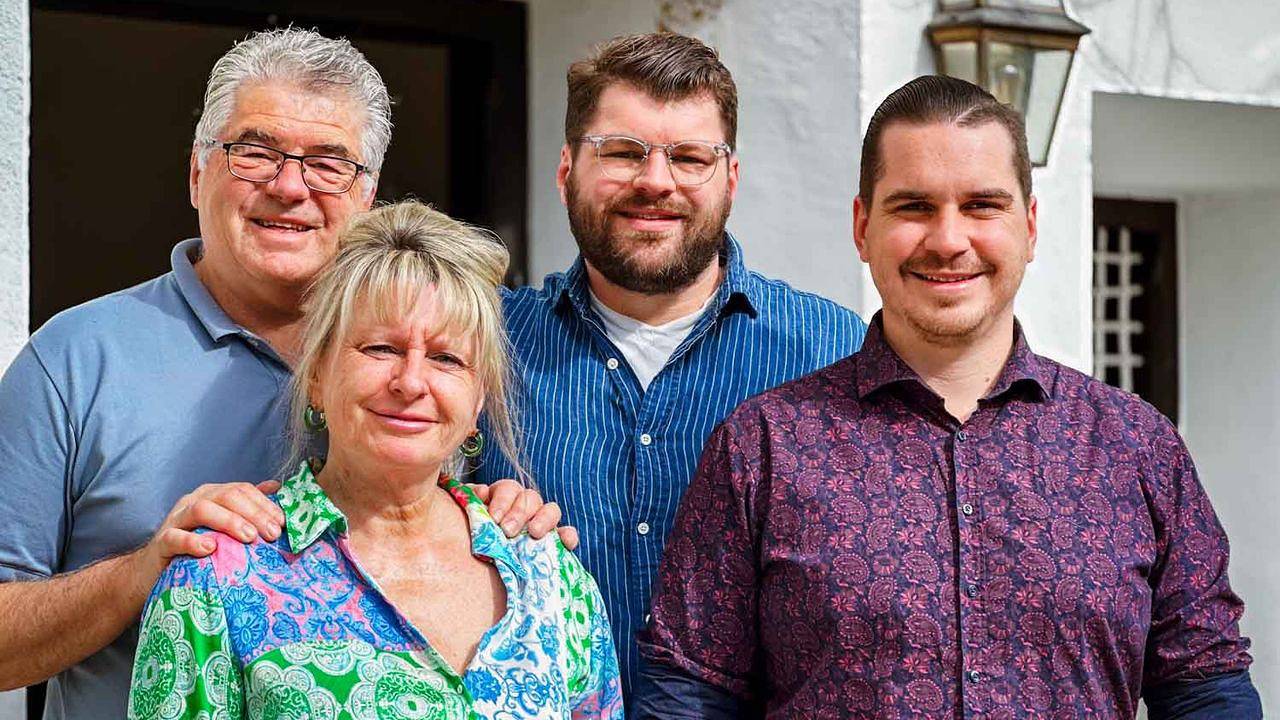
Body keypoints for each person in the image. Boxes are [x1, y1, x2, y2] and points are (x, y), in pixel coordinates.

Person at [635, 75, 1261, 718]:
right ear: (862, 226)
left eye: (983, 205)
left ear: (1031, 225)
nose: (948, 239)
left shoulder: (1136, 448)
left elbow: (1204, 685)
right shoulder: (765, 446)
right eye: (914, 207)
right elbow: (689, 690)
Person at [0, 28, 562, 719]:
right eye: (255, 152)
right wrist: (144, 571)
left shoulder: (426, 360)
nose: (290, 186)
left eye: (329, 163)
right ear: (197, 172)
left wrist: (502, 522)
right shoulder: (76, 360)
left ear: (368, 195)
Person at [472, 32, 868, 697]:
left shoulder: (829, 349)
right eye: (623, 153)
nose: (656, 181)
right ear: (567, 169)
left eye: (689, 157)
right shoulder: (483, 343)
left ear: (731, 180)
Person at [124, 200, 622, 719]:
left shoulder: (547, 572)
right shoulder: (218, 581)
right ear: (316, 375)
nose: (410, 382)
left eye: (447, 358)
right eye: (381, 348)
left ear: (477, 402)